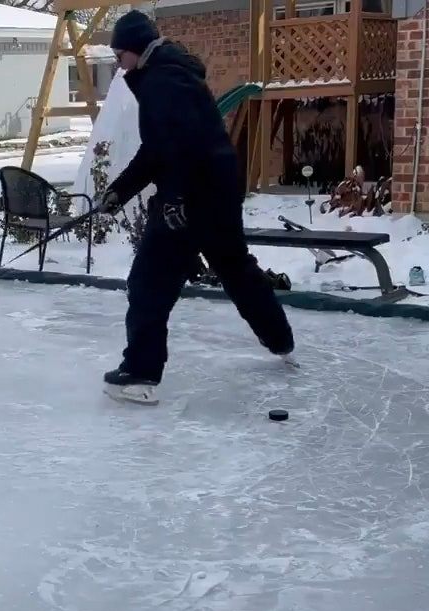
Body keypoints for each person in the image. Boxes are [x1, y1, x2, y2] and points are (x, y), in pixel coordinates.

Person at [97, 10, 295, 403]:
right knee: (235, 267)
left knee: (149, 282)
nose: (119, 65)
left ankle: (139, 373)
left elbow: (181, 148)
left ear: (136, 49)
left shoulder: (160, 82)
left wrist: (175, 200)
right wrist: (120, 191)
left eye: (120, 56)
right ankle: (281, 341)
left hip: (191, 197)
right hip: (217, 190)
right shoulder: (172, 73)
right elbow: (159, 150)